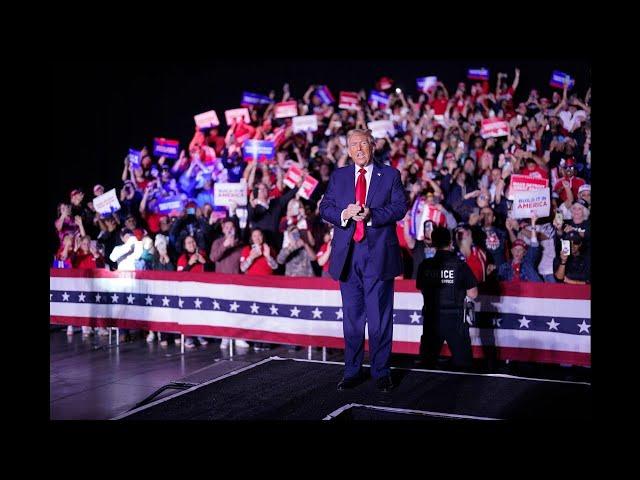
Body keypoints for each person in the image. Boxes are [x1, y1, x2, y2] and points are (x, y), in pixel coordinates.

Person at [319, 128, 407, 392]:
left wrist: (372, 214)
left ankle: (381, 372)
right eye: (353, 144)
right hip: (348, 255)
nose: (358, 148)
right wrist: (344, 214)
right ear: (347, 150)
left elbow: (400, 208)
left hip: (378, 254)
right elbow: (325, 208)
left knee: (379, 317)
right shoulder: (339, 176)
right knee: (352, 318)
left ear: (372, 146)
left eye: (363, 144)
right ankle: (352, 371)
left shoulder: (390, 175)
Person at [416, 226, 479, 370]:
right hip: (455, 318)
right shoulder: (460, 265)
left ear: (432, 242)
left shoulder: (425, 265)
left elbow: (421, 287)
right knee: (463, 366)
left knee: (427, 365)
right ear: (450, 242)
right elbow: (473, 293)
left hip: (432, 317)